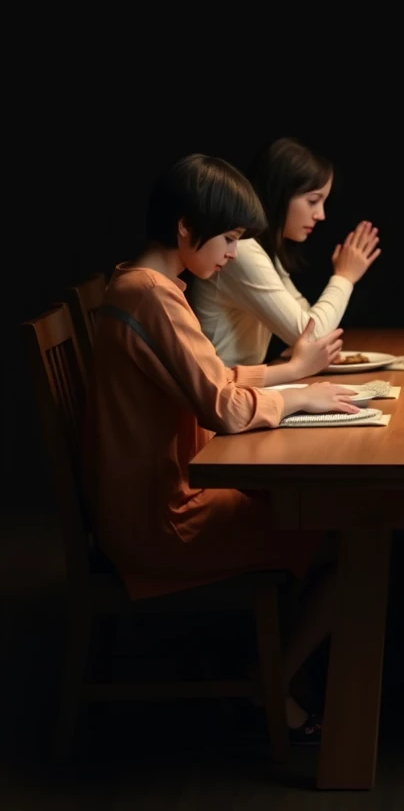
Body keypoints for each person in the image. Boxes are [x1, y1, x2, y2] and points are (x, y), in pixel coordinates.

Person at [83, 153, 365, 743]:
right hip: (162, 522)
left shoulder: (139, 284)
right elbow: (226, 407)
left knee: (325, 520)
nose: (234, 253)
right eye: (230, 238)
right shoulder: (154, 296)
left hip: (142, 504)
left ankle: (277, 669)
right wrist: (296, 397)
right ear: (187, 229)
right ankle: (272, 685)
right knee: (355, 541)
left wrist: (289, 378)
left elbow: (218, 375)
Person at [189, 137, 381, 367]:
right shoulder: (242, 249)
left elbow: (308, 329)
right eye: (313, 201)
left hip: (245, 385)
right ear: (280, 195)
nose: (321, 215)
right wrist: (344, 277)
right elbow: (313, 335)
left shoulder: (262, 249)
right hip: (223, 391)